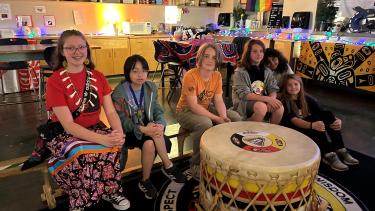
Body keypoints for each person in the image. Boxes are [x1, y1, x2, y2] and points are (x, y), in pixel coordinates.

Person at [44, 30, 130, 211]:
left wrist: (118, 133)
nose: (77, 52)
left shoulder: (98, 76)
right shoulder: (55, 81)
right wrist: (103, 139)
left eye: (81, 47)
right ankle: (79, 200)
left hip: (93, 127)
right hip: (63, 133)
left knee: (115, 144)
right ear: (62, 52)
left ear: (87, 50)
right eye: (71, 48)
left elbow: (111, 112)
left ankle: (110, 190)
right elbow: (68, 125)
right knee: (83, 151)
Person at [111, 55, 187, 199]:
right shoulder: (119, 93)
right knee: (153, 134)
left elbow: (158, 110)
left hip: (149, 129)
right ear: (127, 72)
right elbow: (122, 121)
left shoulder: (150, 87)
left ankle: (145, 180)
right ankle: (168, 165)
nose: (140, 75)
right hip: (129, 131)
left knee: (151, 142)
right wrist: (143, 129)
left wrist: (160, 124)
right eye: (135, 71)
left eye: (144, 70)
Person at [175, 43, 242, 179]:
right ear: (199, 58)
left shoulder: (216, 75)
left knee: (235, 117)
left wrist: (223, 116)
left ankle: (223, 156)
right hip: (185, 111)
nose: (210, 60)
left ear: (217, 61)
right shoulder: (190, 75)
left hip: (205, 107)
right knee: (205, 123)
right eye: (206, 56)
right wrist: (217, 119)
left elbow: (218, 100)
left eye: (214, 57)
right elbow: (193, 106)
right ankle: (195, 164)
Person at [279, 74, 359, 171]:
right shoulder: (285, 101)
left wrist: (336, 120)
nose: (293, 87)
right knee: (314, 119)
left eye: (296, 84)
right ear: (285, 87)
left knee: (327, 114)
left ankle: (340, 148)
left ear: (301, 85)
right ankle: (328, 154)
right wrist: (312, 125)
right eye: (289, 85)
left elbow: (322, 112)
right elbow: (294, 120)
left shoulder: (307, 98)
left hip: (309, 126)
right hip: (294, 130)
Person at [232, 39, 284, 123]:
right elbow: (245, 95)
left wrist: (272, 100)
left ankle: (270, 132)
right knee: (261, 107)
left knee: (279, 107)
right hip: (244, 103)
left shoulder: (267, 71)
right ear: (248, 53)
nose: (259, 54)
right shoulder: (240, 71)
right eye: (255, 51)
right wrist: (268, 99)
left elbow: (273, 89)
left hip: (263, 100)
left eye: (261, 51)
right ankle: (252, 132)